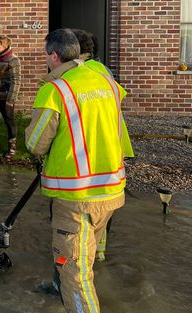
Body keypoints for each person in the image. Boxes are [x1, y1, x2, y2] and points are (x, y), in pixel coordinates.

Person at [25, 29, 128, 312]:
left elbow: (35, 144)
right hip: (111, 188)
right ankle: (59, 289)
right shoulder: (106, 81)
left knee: (75, 273)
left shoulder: (55, 90)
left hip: (76, 197)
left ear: (54, 56)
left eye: (46, 56)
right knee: (87, 260)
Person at [71, 28, 134, 262]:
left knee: (86, 201)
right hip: (113, 142)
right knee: (106, 197)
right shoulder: (103, 70)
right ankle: (99, 251)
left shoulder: (79, 73)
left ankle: (83, 254)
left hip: (91, 143)